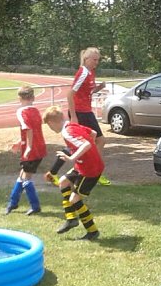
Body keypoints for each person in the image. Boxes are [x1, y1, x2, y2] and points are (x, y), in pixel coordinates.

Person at [42, 107, 103, 241]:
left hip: (90, 169)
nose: (50, 129)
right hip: (83, 164)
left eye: (49, 126)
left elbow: (86, 144)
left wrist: (71, 158)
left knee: (74, 199)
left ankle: (92, 231)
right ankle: (71, 219)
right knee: (63, 182)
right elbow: (92, 133)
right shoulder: (72, 125)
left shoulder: (67, 132)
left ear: (52, 122)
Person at [67, 47, 110, 185]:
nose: (96, 63)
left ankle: (90, 170)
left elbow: (88, 92)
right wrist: (73, 116)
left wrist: (99, 88)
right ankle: (92, 171)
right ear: (86, 59)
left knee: (92, 143)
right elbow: (70, 94)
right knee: (97, 141)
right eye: (94, 60)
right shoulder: (83, 73)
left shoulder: (91, 72)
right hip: (80, 113)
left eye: (98, 60)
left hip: (86, 111)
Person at [5, 86, 47, 216]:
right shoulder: (36, 110)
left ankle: (35, 206)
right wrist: (20, 142)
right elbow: (33, 129)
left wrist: (28, 147)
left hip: (32, 150)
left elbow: (28, 129)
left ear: (19, 98)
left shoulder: (21, 111)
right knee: (22, 175)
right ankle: (13, 203)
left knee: (26, 178)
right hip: (40, 148)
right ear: (33, 98)